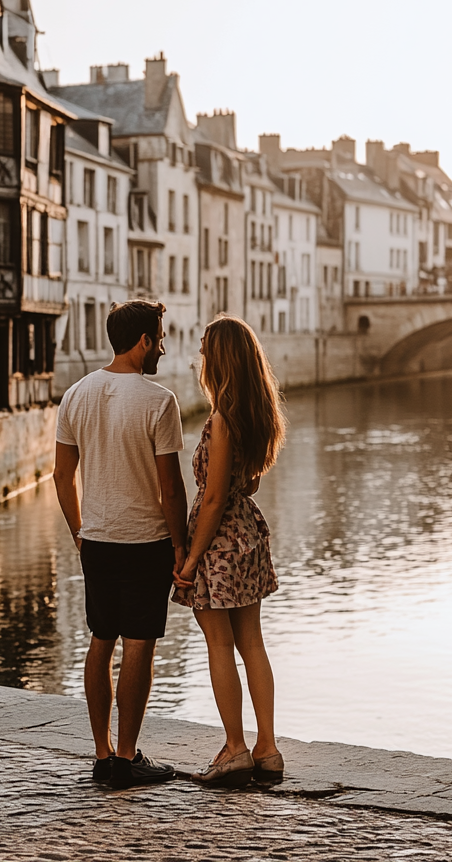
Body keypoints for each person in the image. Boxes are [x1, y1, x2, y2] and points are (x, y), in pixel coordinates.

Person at [53, 300, 189, 790]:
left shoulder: (75, 395)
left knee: (100, 638)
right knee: (139, 645)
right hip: (145, 538)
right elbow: (171, 488)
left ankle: (101, 753)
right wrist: (181, 547)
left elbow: (62, 476)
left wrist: (78, 531)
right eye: (161, 337)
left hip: (97, 539)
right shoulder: (159, 401)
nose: (164, 346)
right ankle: (128, 758)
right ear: (144, 342)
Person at [172, 315, 287, 788]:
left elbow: (215, 498)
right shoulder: (258, 415)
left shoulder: (221, 419)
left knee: (219, 644)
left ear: (218, 359)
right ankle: (268, 747)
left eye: (204, 351)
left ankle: (235, 748)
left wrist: (192, 559)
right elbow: (249, 483)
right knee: (253, 644)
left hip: (218, 540)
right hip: (249, 535)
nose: (200, 358)